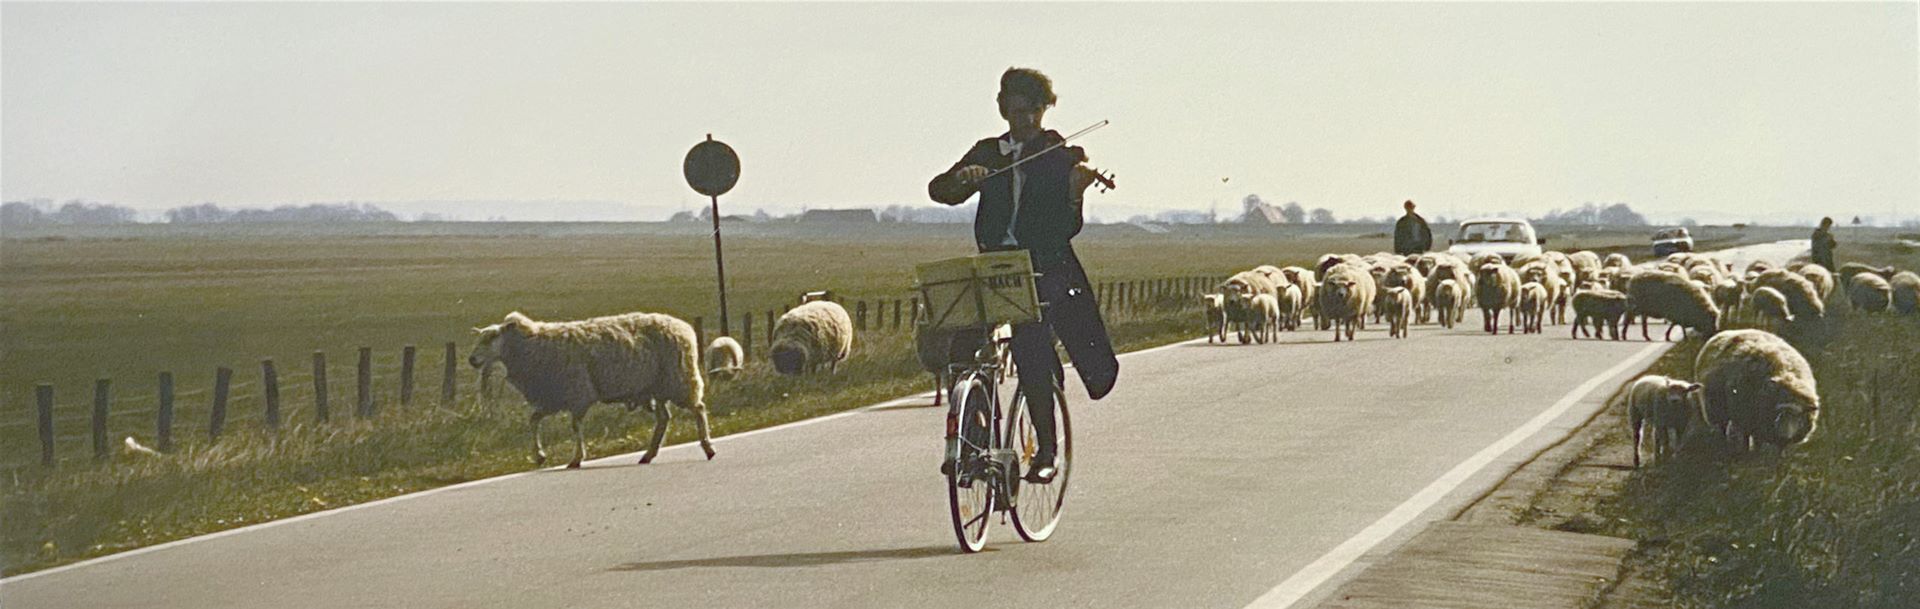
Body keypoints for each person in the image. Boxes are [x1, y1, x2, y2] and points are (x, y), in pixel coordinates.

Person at [927, 67, 1119, 483]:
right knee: (964, 347)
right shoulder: (988, 151)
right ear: (1004, 110)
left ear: (1043, 111)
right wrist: (964, 178)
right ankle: (973, 443)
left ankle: (1046, 452)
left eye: (1034, 112)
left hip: (1043, 265)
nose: (1026, 121)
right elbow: (939, 190)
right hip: (995, 265)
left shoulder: (1056, 152)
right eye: (1017, 112)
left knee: (1032, 348)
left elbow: (1067, 229)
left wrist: (1075, 191)